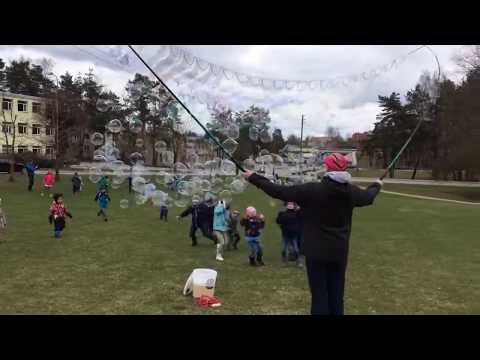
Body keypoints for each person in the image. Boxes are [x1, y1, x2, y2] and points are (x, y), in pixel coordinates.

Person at [242, 152, 382, 315]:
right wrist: (377, 185)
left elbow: (279, 191)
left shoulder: (312, 190)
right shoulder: (352, 192)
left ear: (327, 168)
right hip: (339, 252)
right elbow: (369, 197)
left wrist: (254, 177)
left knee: (319, 296)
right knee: (337, 296)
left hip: (316, 252)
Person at [276, 202, 302, 267]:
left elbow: (302, 219)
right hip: (285, 234)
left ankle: (298, 262)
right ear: (286, 206)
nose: (290, 205)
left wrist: (300, 210)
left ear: (294, 206)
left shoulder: (297, 213)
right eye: (289, 204)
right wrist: (279, 216)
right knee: (284, 248)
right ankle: (284, 262)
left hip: (294, 234)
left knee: (296, 249)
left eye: (292, 204)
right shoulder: (282, 213)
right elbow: (278, 221)